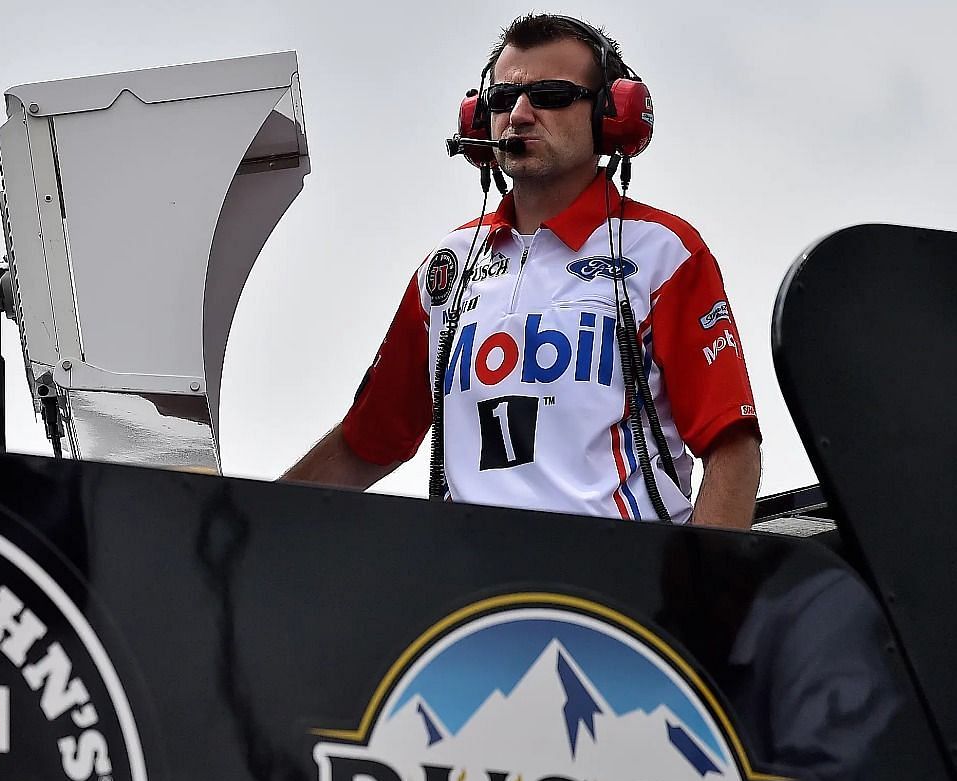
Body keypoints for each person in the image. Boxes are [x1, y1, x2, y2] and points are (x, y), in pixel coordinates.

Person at [282, 14, 762, 528]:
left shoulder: (664, 252)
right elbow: (368, 442)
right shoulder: (448, 263)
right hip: (476, 594)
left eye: (551, 95)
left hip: (622, 589)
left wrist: (704, 597)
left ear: (611, 114)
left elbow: (732, 446)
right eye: (502, 101)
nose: (521, 114)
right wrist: (242, 526)